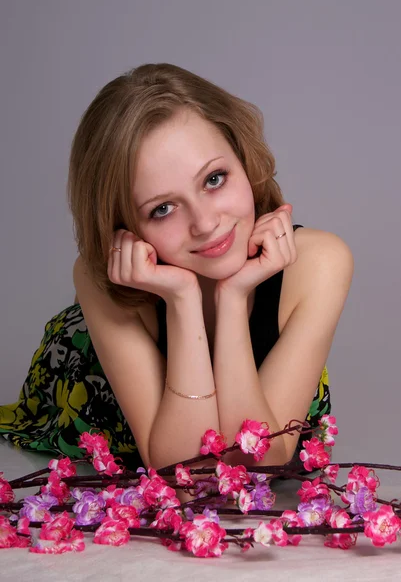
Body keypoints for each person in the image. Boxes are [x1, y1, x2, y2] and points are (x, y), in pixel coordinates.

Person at [0, 63, 353, 474]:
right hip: (80, 377)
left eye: (215, 179)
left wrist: (233, 297)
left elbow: (258, 458)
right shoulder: (102, 278)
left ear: (244, 159)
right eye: (162, 209)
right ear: (123, 226)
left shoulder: (320, 263)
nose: (205, 223)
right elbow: (187, 472)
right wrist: (182, 298)